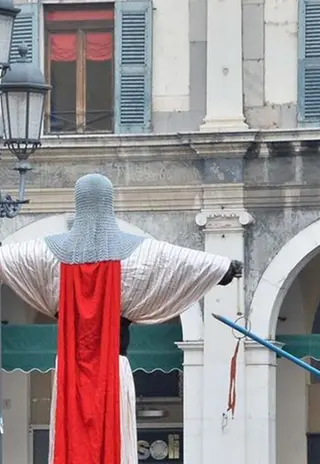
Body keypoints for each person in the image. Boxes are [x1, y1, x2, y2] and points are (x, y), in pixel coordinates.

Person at [0, 173, 242, 464]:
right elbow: (176, 261)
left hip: (68, 373)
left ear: (79, 202)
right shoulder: (135, 254)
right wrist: (223, 267)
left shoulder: (49, 255)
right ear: (108, 202)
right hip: (114, 370)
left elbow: (11, 257)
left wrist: (220, 268)